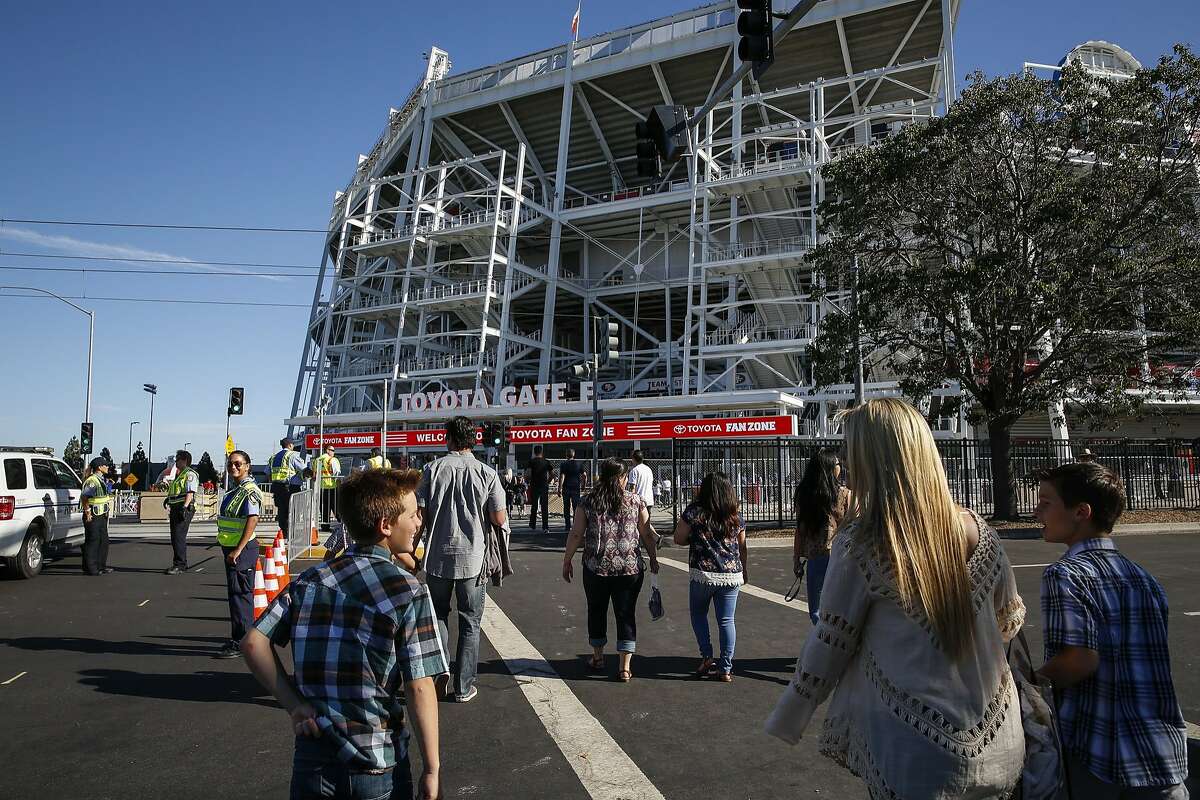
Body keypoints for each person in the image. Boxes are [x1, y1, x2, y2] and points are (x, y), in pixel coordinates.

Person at [765, 398, 1026, 799]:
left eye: (853, 453)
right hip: (998, 736)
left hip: (914, 742)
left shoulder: (863, 543)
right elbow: (1008, 621)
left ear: (875, 459)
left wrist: (791, 714)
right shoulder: (980, 530)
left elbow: (831, 641)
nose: (847, 465)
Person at [243, 468, 445, 800]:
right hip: (376, 761)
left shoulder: (310, 580)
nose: (419, 521)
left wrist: (294, 705)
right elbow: (419, 686)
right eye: (413, 514)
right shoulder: (408, 591)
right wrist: (432, 768)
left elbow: (253, 642)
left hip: (313, 757)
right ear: (385, 526)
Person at [1035, 462, 1188, 799]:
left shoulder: (1066, 574)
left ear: (1081, 512)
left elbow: (1079, 660)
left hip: (1098, 752)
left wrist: (1027, 683)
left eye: (1046, 503)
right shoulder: (1144, 579)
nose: (1036, 511)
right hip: (1160, 753)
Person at [418, 416, 507, 702]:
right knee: (470, 621)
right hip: (472, 558)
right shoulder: (487, 473)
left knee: (439, 616)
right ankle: (464, 686)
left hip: (437, 557)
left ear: (450, 438)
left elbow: (419, 514)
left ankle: (439, 673)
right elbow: (498, 516)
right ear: (474, 439)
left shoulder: (431, 469)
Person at [562, 458, 659, 682]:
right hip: (629, 568)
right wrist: (653, 558)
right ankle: (625, 667)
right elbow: (646, 534)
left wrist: (567, 560)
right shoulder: (636, 501)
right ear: (623, 478)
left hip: (596, 567)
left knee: (596, 611)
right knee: (626, 614)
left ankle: (598, 657)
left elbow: (576, 534)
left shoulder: (588, 501)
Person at [672, 472, 747, 682]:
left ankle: (706, 655)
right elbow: (742, 546)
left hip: (702, 574)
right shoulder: (735, 515)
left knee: (698, 614)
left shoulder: (694, 512)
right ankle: (726, 667)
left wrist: (695, 540)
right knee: (726, 620)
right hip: (731, 575)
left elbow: (678, 538)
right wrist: (745, 568)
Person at [792, 448, 851, 625]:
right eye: (839, 464)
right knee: (840, 606)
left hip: (815, 556)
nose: (841, 467)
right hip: (841, 556)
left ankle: (822, 642)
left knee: (816, 609)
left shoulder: (805, 494)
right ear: (831, 467)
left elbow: (799, 529)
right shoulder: (844, 494)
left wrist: (796, 558)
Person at [214, 450, 263, 659]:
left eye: (238, 464)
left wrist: (238, 549)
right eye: (230, 464)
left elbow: (253, 519)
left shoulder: (249, 490)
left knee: (241, 596)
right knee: (235, 596)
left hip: (241, 551)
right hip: (232, 549)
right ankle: (239, 638)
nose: (233, 467)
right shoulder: (236, 490)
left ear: (247, 466)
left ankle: (242, 641)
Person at [163, 449, 199, 575]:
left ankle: (180, 565)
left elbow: (190, 492)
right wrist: (168, 499)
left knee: (178, 536)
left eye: (177, 459)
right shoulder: (181, 474)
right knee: (175, 536)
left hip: (183, 508)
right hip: (175, 507)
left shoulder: (189, 474)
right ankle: (179, 563)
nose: (175, 462)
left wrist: (184, 507)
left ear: (184, 460)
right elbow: (178, 491)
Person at [80, 457, 113, 575]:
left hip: (101, 515)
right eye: (106, 465)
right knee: (93, 541)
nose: (108, 467)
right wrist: (87, 512)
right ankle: (91, 568)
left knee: (103, 541)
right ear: (99, 467)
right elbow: (85, 497)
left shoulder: (101, 479)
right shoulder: (92, 481)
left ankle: (101, 566)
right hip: (93, 516)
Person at [268, 437, 307, 539]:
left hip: (277, 487)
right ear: (290, 445)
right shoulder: (292, 455)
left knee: (281, 510)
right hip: (290, 487)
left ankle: (284, 532)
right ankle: (291, 533)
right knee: (293, 510)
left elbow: (268, 473)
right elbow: (303, 469)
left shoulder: (274, 457)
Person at [526, 445, 554, 533]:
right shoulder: (546, 462)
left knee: (534, 506)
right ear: (542, 452)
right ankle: (545, 526)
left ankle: (532, 524)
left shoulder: (531, 462)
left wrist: (528, 481)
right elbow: (552, 474)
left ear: (534, 452)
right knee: (544, 507)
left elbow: (528, 474)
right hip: (544, 485)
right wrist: (548, 481)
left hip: (534, 485)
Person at [557, 449, 584, 531]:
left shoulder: (564, 464)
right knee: (576, 507)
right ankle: (576, 525)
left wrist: (559, 488)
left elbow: (562, 477)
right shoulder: (579, 464)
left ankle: (567, 525)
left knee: (566, 507)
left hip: (566, 488)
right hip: (576, 488)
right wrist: (583, 485)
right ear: (574, 454)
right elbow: (584, 475)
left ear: (566, 455)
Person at [318, 444, 342, 524]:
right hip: (331, 486)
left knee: (324, 508)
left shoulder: (318, 460)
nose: (333, 452)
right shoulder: (332, 460)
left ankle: (325, 525)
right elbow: (336, 474)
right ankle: (342, 524)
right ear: (327, 450)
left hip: (320, 487)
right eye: (332, 450)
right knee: (336, 508)